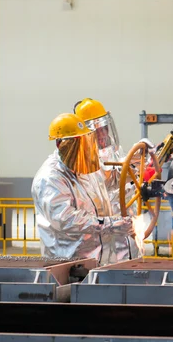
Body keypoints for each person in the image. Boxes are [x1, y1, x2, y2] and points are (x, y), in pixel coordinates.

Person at [31, 113, 134, 264]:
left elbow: (111, 179)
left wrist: (136, 168)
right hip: (69, 263)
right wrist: (109, 225)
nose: (84, 150)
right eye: (78, 145)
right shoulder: (50, 178)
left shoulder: (84, 168)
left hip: (101, 260)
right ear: (60, 145)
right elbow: (66, 219)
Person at [74, 98, 148, 261]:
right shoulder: (86, 164)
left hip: (128, 234)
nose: (103, 135)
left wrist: (144, 156)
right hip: (107, 239)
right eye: (97, 131)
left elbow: (122, 173)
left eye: (104, 129)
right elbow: (109, 192)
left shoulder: (114, 151)